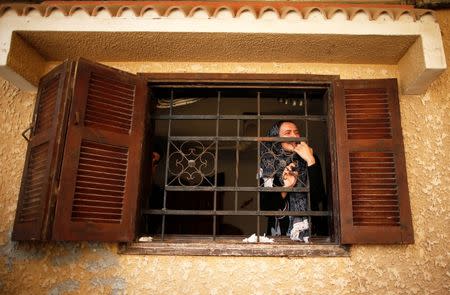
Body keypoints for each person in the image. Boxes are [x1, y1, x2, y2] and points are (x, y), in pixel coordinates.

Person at [260, 121, 325, 241]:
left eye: (296, 132)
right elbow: (266, 208)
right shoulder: (268, 165)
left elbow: (318, 197)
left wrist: (310, 160)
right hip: (280, 234)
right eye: (287, 133)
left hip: (312, 232)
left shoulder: (311, 158)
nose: (294, 136)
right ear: (276, 138)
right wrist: (287, 187)